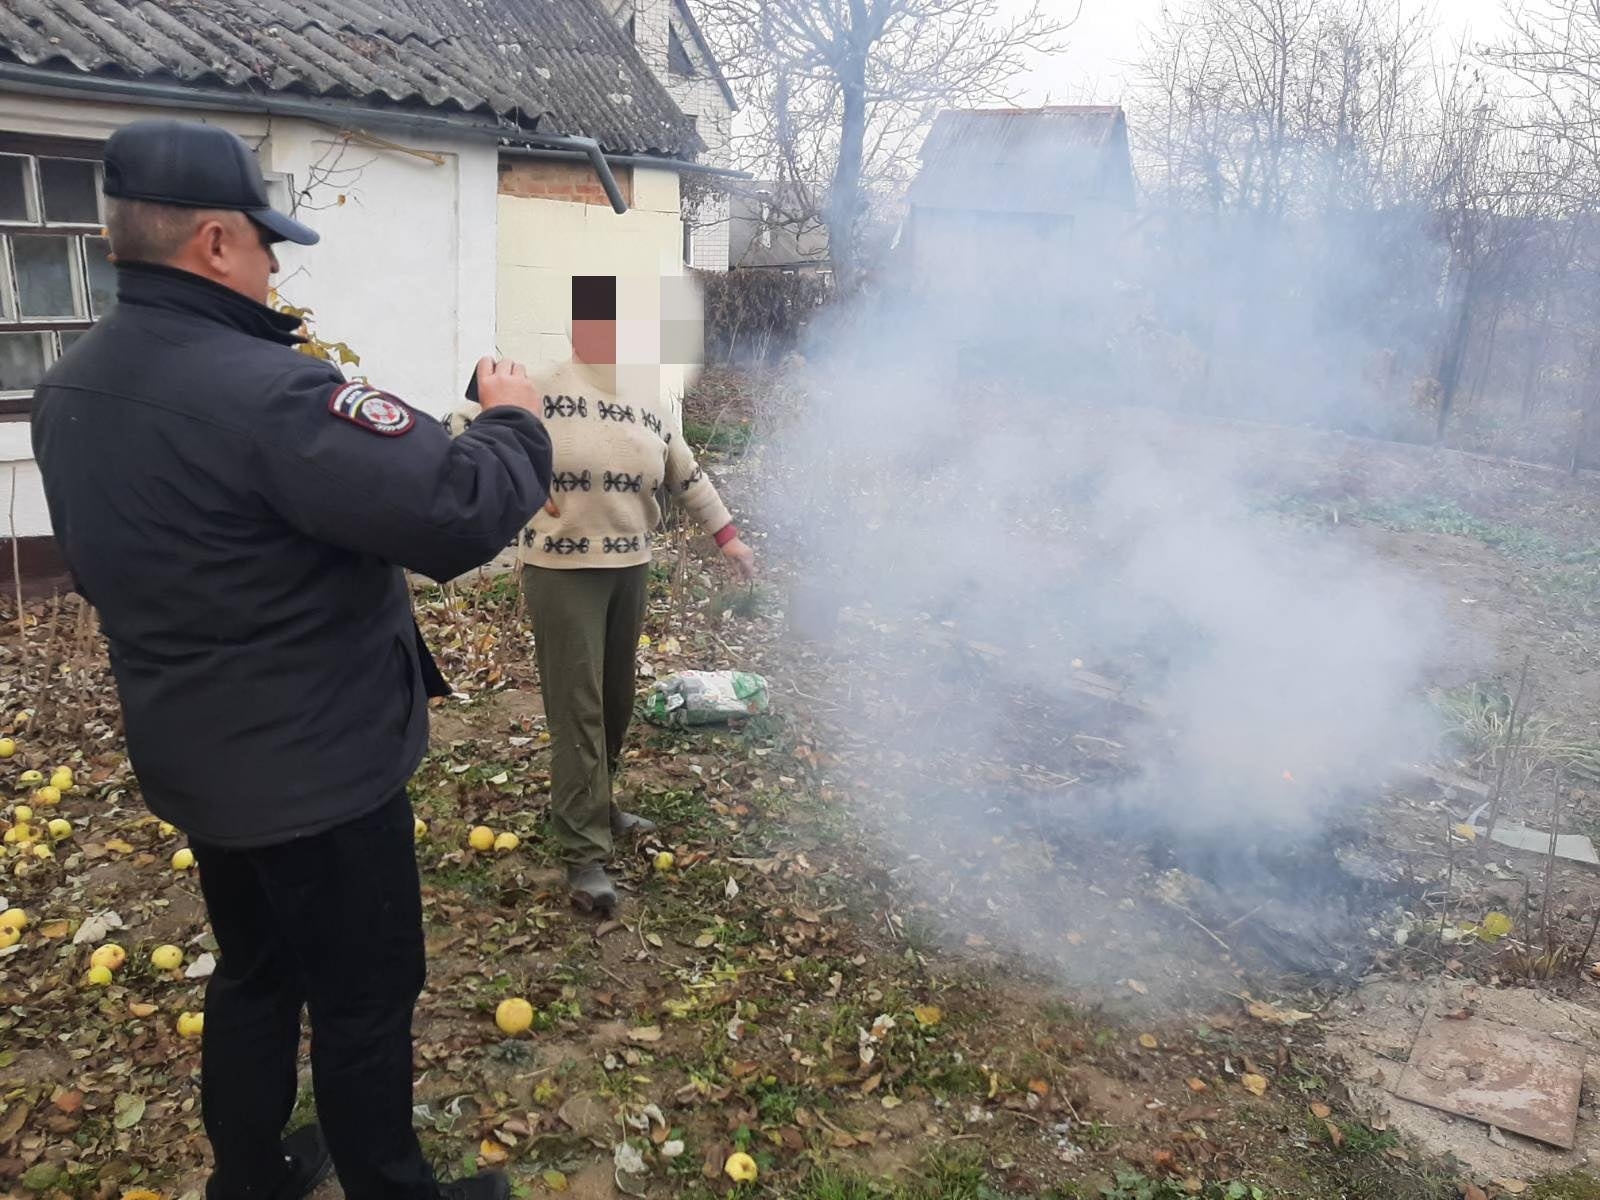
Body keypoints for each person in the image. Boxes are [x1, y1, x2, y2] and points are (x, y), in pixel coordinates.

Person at [30, 119, 552, 1200]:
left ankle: (252, 1176)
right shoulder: (269, 393)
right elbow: (456, 511)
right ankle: (390, 1187)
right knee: (364, 995)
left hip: (196, 759)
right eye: (268, 244)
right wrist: (512, 422)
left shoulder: (70, 387)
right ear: (216, 242)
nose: (275, 266)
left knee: (256, 972)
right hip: (320, 775)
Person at [515, 274, 756, 915]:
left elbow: (686, 472)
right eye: (597, 324)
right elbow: (465, 432)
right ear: (576, 330)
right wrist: (506, 473)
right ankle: (582, 849)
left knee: (616, 698)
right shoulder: (538, 390)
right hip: (561, 569)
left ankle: (598, 801)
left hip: (630, 563)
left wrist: (727, 537)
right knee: (580, 706)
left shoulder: (648, 397)